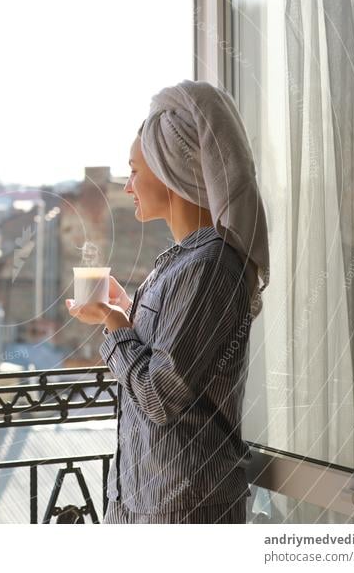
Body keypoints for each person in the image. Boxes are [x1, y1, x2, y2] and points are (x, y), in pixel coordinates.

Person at [66, 80, 270, 524]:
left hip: (185, 511)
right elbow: (169, 364)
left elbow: (160, 397)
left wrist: (116, 322)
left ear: (169, 172)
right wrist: (126, 313)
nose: (127, 187)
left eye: (134, 171)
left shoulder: (210, 265)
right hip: (144, 503)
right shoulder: (177, 264)